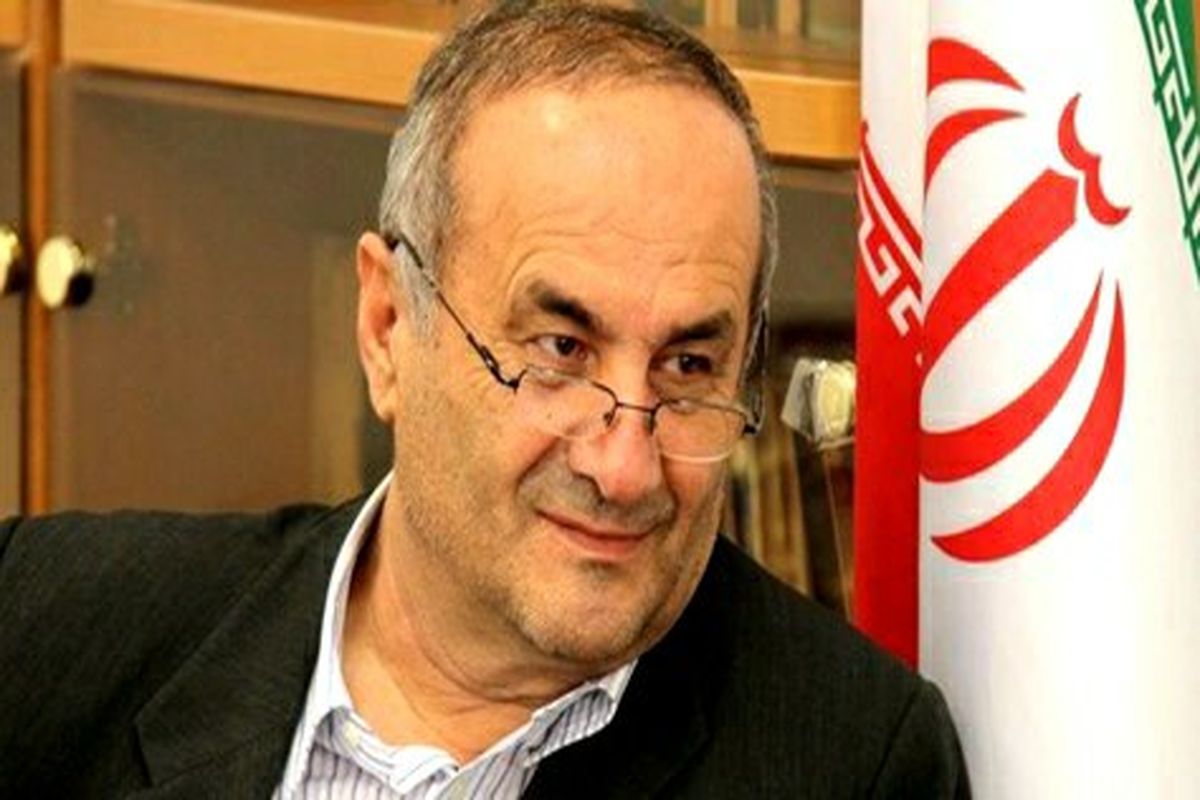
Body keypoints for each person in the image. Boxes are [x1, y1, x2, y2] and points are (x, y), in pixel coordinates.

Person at [0, 2, 969, 797]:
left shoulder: (850, 763)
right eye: (559, 351)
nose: (624, 469)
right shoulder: (44, 621)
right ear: (387, 325)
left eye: (687, 368)